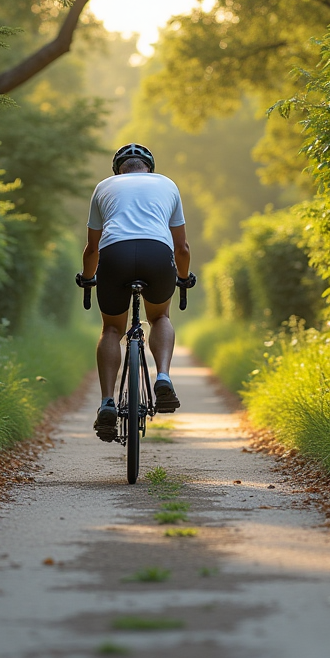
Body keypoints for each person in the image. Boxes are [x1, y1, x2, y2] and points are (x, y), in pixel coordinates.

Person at [77, 143, 193, 441]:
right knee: (160, 318)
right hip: (157, 253)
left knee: (113, 328)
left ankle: (107, 402)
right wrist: (183, 277)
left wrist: (87, 278)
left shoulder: (104, 187)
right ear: (149, 168)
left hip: (115, 254)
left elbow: (92, 248)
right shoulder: (167, 184)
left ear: (118, 170)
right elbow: (182, 247)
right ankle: (164, 377)